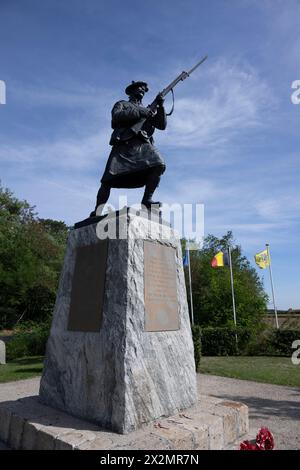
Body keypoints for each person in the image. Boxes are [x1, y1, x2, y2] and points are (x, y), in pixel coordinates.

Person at [90, 80, 167, 217]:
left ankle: (146, 200)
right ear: (132, 91)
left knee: (159, 164)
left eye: (144, 89)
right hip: (124, 143)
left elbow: (161, 125)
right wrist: (141, 111)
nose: (142, 90)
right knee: (107, 181)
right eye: (140, 88)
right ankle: (97, 210)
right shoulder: (122, 104)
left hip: (142, 144)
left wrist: (160, 106)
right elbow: (116, 117)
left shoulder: (148, 110)